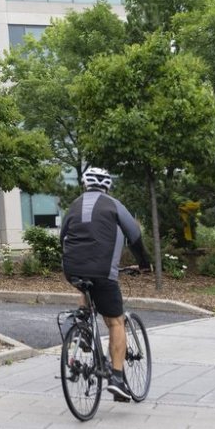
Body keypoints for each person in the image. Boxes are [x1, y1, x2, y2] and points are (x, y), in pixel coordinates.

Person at [60, 166, 151, 403]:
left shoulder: (73, 205)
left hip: (71, 270)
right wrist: (144, 264)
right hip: (102, 273)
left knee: (85, 285)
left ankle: (82, 325)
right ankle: (118, 379)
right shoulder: (113, 204)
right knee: (115, 322)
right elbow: (135, 235)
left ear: (85, 184)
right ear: (107, 185)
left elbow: (63, 238)